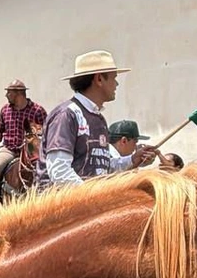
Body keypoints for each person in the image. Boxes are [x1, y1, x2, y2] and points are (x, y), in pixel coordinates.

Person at [37, 51, 155, 189]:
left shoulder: (99, 119)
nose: (116, 84)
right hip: (60, 207)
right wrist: (93, 195)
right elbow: (59, 172)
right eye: (113, 78)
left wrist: (133, 160)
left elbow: (103, 167)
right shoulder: (67, 114)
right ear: (99, 79)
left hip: (89, 205)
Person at [0, 79, 47, 202]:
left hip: (31, 151)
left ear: (18, 93)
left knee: (45, 172)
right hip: (9, 149)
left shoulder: (37, 111)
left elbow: (47, 133)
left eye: (9, 92)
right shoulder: (5, 110)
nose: (6, 95)